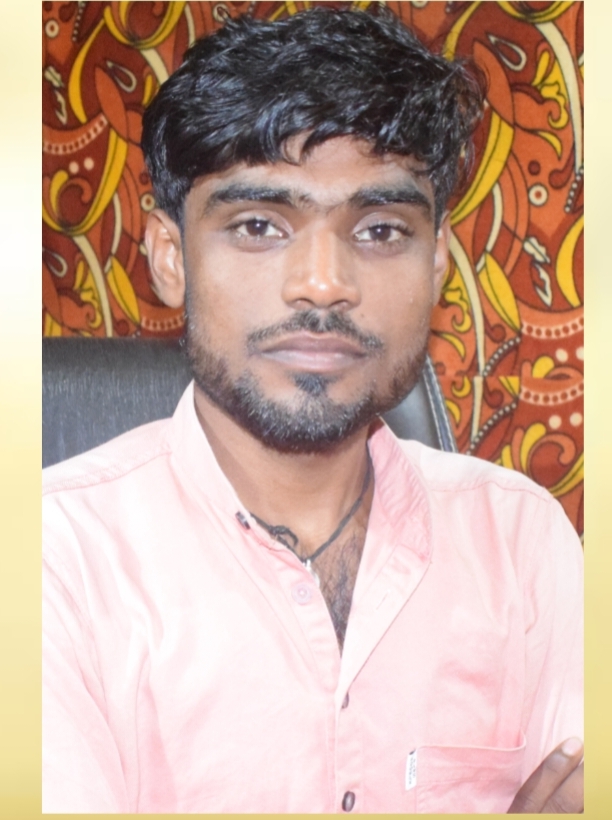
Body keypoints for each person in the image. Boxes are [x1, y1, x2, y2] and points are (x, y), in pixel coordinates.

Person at [42, 7, 583, 813]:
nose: (324, 284)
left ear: (437, 261)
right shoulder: (51, 564)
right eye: (260, 225)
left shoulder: (522, 540)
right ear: (170, 258)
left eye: (380, 230)